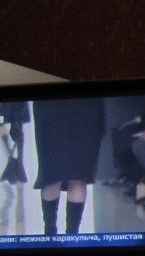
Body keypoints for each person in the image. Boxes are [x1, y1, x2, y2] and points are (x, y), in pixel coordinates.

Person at [32, 96, 105, 235]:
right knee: (74, 175)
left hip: (54, 106)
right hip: (84, 106)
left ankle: (51, 234)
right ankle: (69, 235)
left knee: (53, 174)